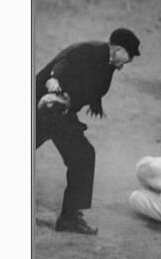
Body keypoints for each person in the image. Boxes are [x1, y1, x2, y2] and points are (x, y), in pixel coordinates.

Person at [36, 28, 141, 235]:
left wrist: (92, 103)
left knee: (83, 156)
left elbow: (91, 86)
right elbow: (62, 66)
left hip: (60, 113)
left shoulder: (108, 63)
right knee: (82, 156)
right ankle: (69, 218)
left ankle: (70, 218)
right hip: (42, 105)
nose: (125, 64)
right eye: (127, 58)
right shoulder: (91, 51)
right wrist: (55, 81)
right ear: (119, 49)